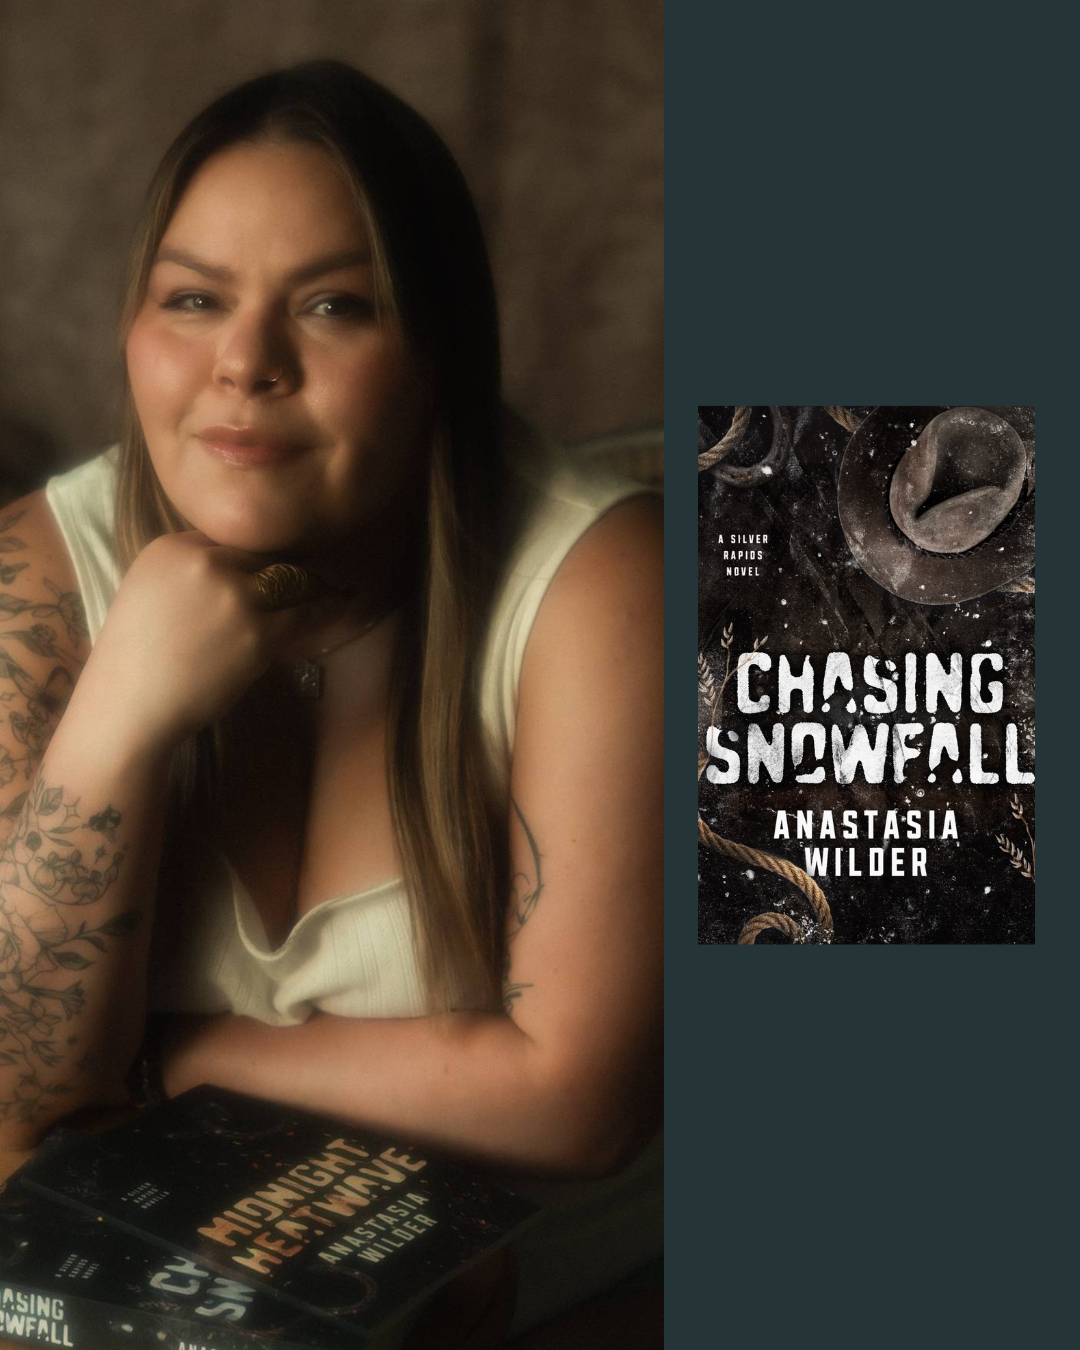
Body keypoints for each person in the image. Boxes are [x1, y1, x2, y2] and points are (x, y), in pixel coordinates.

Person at [0, 62, 662, 1346]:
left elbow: (577, 1107)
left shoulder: (598, 579)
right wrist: (123, 712)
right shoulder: (37, 577)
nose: (244, 365)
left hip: (544, 1271)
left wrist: (150, 1055)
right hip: (175, 1271)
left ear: (438, 354)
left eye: (335, 306)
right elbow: (17, 1089)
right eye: (193, 299)